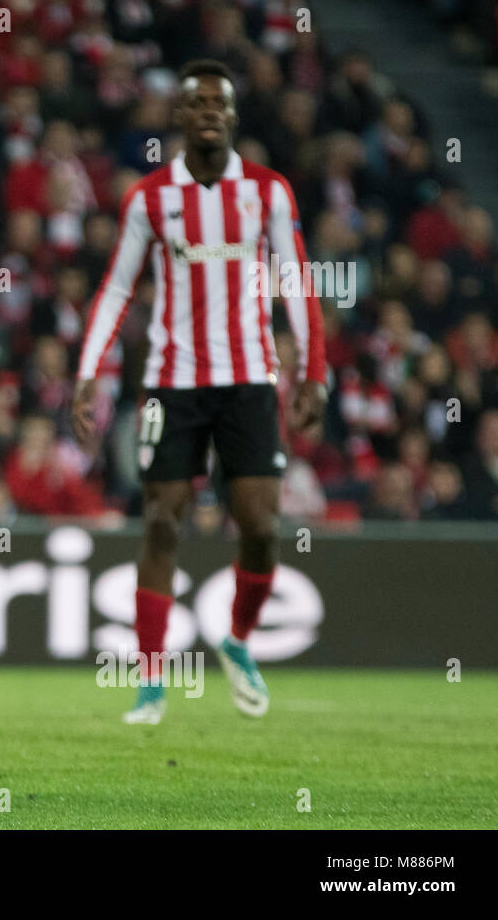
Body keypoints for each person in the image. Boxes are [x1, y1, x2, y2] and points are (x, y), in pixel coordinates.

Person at [70, 60, 327, 724]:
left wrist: (315, 372)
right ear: (179, 117)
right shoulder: (150, 198)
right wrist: (89, 371)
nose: (210, 110)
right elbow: (117, 288)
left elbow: (296, 281)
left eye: (220, 101)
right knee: (161, 520)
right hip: (172, 381)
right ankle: (152, 679)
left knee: (262, 527)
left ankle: (238, 639)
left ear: (233, 116)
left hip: (248, 379)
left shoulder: (268, 192)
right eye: (197, 101)